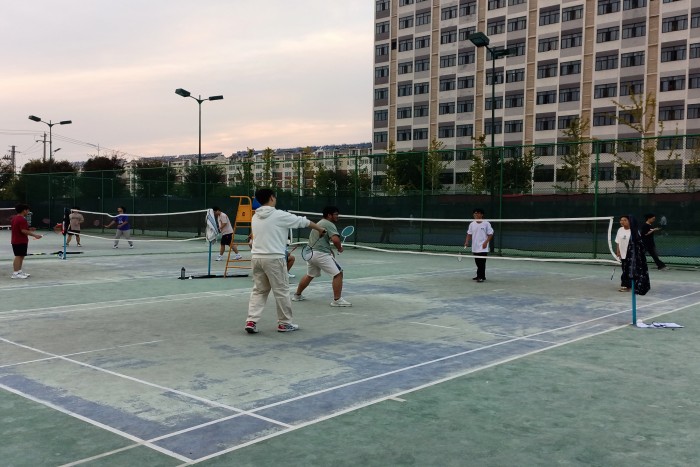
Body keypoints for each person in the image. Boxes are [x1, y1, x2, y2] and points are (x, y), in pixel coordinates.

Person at [245, 188, 326, 334]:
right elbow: (303, 221)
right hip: (274, 259)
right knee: (281, 291)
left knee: (259, 291)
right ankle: (284, 323)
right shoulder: (279, 215)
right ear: (271, 198)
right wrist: (320, 229)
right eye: (275, 197)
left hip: (256, 258)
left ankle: (251, 321)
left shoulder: (255, 217)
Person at [292, 206, 352, 307]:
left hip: (310, 254)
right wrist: (339, 248)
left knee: (310, 275)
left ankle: (297, 295)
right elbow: (335, 240)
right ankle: (337, 300)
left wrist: (329, 250)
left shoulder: (320, 223)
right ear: (329, 215)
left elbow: (321, 240)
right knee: (338, 274)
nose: (338, 216)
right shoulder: (329, 224)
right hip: (320, 254)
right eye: (336, 214)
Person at [10, 203, 42, 279]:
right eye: (28, 210)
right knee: (18, 256)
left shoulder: (15, 218)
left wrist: (30, 229)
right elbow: (23, 231)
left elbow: (20, 229)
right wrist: (35, 235)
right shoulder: (22, 219)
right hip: (19, 241)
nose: (28, 212)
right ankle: (15, 273)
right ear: (24, 210)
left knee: (21, 256)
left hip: (18, 240)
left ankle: (19, 271)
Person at [464, 208, 494, 283]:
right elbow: (469, 234)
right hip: (475, 246)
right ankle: (480, 276)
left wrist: (486, 242)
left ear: (482, 214)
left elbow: (490, 234)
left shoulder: (486, 223)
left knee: (482, 262)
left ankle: (481, 277)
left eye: (478, 213)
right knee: (477, 262)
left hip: (483, 247)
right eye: (475, 213)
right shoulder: (472, 224)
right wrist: (467, 241)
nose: (476, 215)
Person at [615, 215, 632, 292]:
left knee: (627, 270)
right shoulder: (620, 230)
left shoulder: (633, 231)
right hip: (622, 254)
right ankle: (627, 285)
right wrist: (618, 251)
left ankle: (625, 285)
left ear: (629, 221)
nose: (622, 222)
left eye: (625, 220)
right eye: (621, 220)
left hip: (631, 254)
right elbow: (618, 241)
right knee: (625, 269)